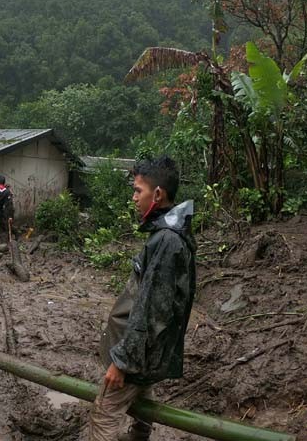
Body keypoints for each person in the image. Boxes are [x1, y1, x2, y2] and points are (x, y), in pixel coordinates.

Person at [88, 156, 196, 441]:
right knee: (141, 406)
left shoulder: (166, 241)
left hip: (137, 355)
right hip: (146, 354)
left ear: (157, 194)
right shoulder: (171, 234)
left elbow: (150, 311)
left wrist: (121, 362)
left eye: (138, 191)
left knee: (104, 414)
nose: (134, 198)